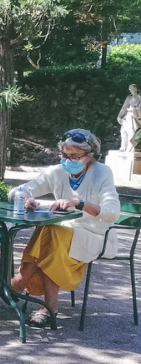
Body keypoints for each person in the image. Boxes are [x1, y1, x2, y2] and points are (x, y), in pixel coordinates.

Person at [10, 128, 119, 327]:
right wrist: (26, 199)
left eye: (75, 156)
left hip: (94, 234)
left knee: (51, 234)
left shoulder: (102, 172)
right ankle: (49, 307)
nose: (69, 160)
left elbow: (112, 211)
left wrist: (78, 203)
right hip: (60, 235)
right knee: (51, 233)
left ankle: (19, 282)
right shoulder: (57, 172)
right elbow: (19, 190)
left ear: (90, 156)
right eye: (65, 155)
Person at [118, 84, 141, 152]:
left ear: (136, 89)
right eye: (130, 90)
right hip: (128, 116)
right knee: (123, 131)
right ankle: (123, 147)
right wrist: (119, 116)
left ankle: (131, 147)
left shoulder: (140, 97)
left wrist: (134, 109)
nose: (131, 91)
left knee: (131, 131)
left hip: (136, 117)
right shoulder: (129, 97)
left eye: (132, 89)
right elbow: (124, 108)